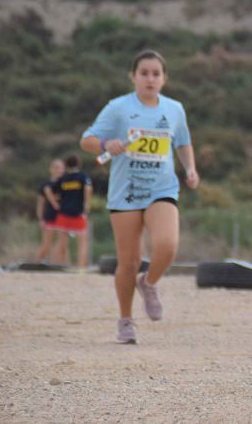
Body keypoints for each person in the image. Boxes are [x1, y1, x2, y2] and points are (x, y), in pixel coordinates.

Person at [79, 50, 199, 344]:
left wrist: (191, 169)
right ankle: (125, 320)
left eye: (156, 74)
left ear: (164, 78)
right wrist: (109, 143)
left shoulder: (174, 109)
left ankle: (150, 282)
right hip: (127, 192)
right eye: (144, 73)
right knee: (129, 262)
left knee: (167, 247)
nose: (150, 79)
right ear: (133, 76)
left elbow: (183, 143)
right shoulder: (118, 108)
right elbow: (87, 141)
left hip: (162, 188)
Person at [50, 155, 93, 268]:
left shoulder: (62, 178)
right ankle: (80, 268)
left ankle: (59, 266)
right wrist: (87, 205)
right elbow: (88, 189)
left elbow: (52, 191)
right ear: (78, 164)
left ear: (66, 165)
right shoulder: (83, 176)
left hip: (63, 213)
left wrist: (55, 203)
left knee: (61, 243)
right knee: (82, 243)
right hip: (78, 213)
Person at [34, 158, 65, 263]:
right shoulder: (45, 185)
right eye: (56, 167)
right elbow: (41, 203)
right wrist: (40, 218)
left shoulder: (66, 183)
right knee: (47, 243)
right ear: (51, 169)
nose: (59, 170)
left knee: (62, 244)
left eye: (61, 167)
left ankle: (59, 264)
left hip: (63, 217)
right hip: (50, 216)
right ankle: (38, 262)